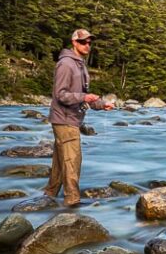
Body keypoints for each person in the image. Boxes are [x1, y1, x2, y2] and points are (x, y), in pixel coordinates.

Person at [42, 28, 114, 206]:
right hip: (64, 119)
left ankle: (49, 194)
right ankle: (72, 201)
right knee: (73, 160)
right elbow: (61, 94)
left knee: (61, 160)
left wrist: (101, 104)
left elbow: (84, 94)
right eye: (83, 42)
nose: (87, 45)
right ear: (74, 42)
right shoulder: (66, 64)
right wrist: (84, 98)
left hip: (69, 118)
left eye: (89, 42)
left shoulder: (80, 64)